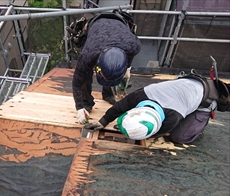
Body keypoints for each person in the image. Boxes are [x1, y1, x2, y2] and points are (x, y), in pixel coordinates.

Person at [84, 73, 230, 144]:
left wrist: (136, 132)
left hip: (208, 97)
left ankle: (199, 124)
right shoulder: (141, 95)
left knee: (179, 137)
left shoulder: (172, 117)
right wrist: (103, 121)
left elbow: (153, 133)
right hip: (188, 84)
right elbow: (120, 107)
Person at [71, 11, 141, 124]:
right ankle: (86, 103)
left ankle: (108, 95)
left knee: (113, 72)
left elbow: (129, 57)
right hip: (96, 26)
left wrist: (127, 68)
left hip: (119, 24)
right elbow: (77, 82)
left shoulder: (133, 45)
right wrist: (79, 107)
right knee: (85, 75)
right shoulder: (88, 54)